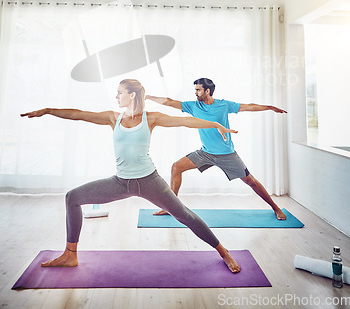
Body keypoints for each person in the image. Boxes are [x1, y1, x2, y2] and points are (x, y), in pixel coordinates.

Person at [21, 78, 241, 273]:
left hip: (150, 182)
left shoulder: (151, 118)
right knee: (72, 197)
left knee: (185, 215)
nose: (116, 96)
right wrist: (49, 110)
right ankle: (70, 254)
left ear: (132, 95)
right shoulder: (113, 118)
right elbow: (78, 115)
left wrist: (215, 124)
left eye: (119, 92)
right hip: (120, 182)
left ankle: (223, 252)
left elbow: (186, 121)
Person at [146, 77, 287, 220]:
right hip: (206, 153)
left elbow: (249, 106)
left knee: (251, 182)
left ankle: (276, 208)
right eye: (195, 90)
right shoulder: (194, 106)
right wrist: (149, 97)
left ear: (207, 91)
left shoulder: (224, 105)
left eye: (198, 90)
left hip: (227, 155)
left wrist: (269, 107)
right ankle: (172, 208)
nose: (195, 93)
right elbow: (170, 102)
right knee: (176, 167)